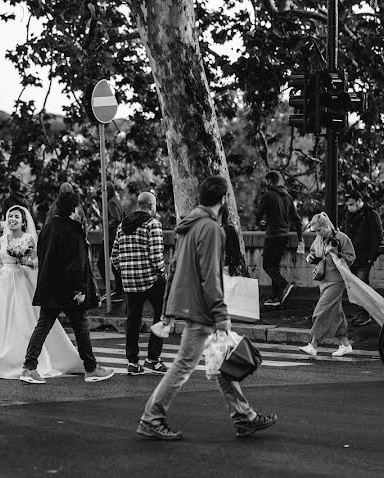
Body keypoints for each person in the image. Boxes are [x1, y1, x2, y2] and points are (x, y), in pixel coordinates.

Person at [138, 176, 277, 441]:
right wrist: (221, 313)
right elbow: (211, 275)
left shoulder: (188, 225)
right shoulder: (212, 230)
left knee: (221, 361)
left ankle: (244, 417)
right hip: (202, 308)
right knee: (183, 366)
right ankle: (151, 417)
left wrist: (169, 308)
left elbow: (174, 266)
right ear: (224, 199)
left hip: (189, 303)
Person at [0, 205, 85, 380]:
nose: (12, 219)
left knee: (22, 323)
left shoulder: (29, 238)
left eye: (16, 217)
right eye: (10, 216)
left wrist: (23, 260)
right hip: (3, 284)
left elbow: (36, 262)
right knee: (1, 323)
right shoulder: (3, 238)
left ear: (23, 221)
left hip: (21, 283)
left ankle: (26, 362)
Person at [21, 193, 114, 384]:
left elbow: (42, 255)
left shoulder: (47, 229)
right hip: (69, 289)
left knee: (43, 326)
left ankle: (29, 367)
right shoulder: (74, 230)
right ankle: (91, 368)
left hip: (49, 286)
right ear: (73, 208)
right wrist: (80, 289)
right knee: (81, 326)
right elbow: (77, 263)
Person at [112, 191, 168, 376]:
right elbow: (156, 256)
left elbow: (114, 257)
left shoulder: (122, 225)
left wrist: (126, 272)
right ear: (152, 206)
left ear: (138, 205)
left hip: (130, 282)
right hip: (150, 280)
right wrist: (163, 273)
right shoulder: (153, 224)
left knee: (133, 320)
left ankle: (133, 362)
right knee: (161, 317)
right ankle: (153, 358)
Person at [299, 212, 356, 357]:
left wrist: (337, 253)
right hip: (323, 280)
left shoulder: (341, 238)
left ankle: (313, 345)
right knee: (335, 312)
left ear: (326, 226)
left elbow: (351, 257)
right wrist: (311, 257)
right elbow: (314, 253)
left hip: (337, 280)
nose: (317, 233)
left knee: (321, 310)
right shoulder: (319, 239)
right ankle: (345, 344)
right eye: (315, 231)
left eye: (319, 230)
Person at [255, 170, 302, 307]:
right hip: (284, 236)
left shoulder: (268, 195)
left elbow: (259, 213)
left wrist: (260, 222)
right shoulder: (287, 197)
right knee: (274, 266)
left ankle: (284, 285)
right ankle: (276, 298)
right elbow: (296, 219)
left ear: (270, 181)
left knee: (267, 265)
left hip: (272, 235)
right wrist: (300, 237)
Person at [341, 190, 382, 326]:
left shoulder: (370, 214)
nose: (349, 207)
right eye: (348, 205)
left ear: (359, 201)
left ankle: (365, 314)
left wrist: (372, 257)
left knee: (362, 286)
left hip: (364, 258)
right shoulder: (348, 215)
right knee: (355, 288)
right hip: (351, 257)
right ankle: (361, 313)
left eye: (352, 204)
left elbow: (377, 237)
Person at [97, 181, 128, 304]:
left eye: (103, 192)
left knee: (101, 264)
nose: (101, 194)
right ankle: (118, 290)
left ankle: (112, 289)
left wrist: (106, 225)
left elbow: (116, 218)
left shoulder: (111, 202)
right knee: (115, 264)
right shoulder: (116, 200)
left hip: (111, 238)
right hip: (116, 237)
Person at [219, 204, 246, 276]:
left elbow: (234, 253)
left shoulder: (226, 230)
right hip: (225, 269)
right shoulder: (228, 230)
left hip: (225, 270)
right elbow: (235, 252)